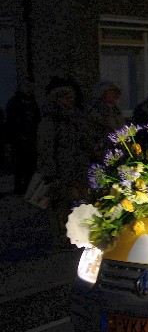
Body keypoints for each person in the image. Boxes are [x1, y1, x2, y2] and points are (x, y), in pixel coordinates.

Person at [36, 81, 92, 249]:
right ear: (57, 99)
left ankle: (76, 235)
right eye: (67, 98)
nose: (71, 100)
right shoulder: (50, 120)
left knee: (79, 203)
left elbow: (83, 140)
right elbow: (45, 149)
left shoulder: (75, 116)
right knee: (60, 206)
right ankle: (62, 237)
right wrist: (50, 174)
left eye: (72, 98)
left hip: (77, 167)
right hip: (60, 170)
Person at [6, 80, 41, 195]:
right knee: (20, 165)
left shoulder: (33, 102)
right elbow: (11, 122)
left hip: (31, 137)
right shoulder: (15, 102)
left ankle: (27, 188)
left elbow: (37, 119)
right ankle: (19, 189)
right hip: (19, 139)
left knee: (30, 165)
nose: (29, 89)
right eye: (27, 87)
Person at [86, 81, 125, 160]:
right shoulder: (95, 110)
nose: (116, 95)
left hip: (117, 150)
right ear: (103, 93)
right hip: (103, 152)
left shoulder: (115, 109)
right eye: (112, 91)